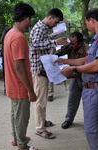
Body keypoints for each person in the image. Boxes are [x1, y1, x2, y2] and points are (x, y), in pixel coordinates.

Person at [55, 8, 98, 150]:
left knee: (92, 130)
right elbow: (86, 60)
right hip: (91, 89)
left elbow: (96, 65)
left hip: (96, 89)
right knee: (93, 128)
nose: (86, 26)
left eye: (86, 23)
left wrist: (74, 69)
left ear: (92, 20)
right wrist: (65, 62)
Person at [29, 8, 68, 139]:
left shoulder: (43, 29)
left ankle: (42, 121)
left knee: (43, 99)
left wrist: (53, 38)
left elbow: (41, 41)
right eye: (56, 22)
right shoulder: (39, 28)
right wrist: (55, 42)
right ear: (50, 18)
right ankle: (40, 128)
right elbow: (35, 45)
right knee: (40, 101)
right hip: (38, 70)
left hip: (43, 69)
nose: (56, 25)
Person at [4, 2, 38, 150]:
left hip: (12, 83)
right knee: (22, 117)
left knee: (15, 114)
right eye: (30, 18)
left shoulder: (9, 34)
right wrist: (30, 90)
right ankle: (22, 145)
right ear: (27, 18)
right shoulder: (18, 37)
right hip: (19, 85)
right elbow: (19, 67)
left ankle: (17, 138)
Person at [56, 31, 89, 129]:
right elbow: (57, 54)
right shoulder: (70, 46)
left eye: (73, 43)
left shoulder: (88, 50)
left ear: (80, 43)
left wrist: (67, 73)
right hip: (75, 78)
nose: (71, 44)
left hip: (86, 80)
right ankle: (68, 120)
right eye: (70, 42)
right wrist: (59, 43)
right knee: (72, 100)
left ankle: (89, 122)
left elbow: (84, 65)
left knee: (87, 103)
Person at [0, 27, 12, 95]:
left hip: (9, 55)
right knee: (6, 72)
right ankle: (6, 88)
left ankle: (8, 88)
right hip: (6, 55)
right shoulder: (8, 30)